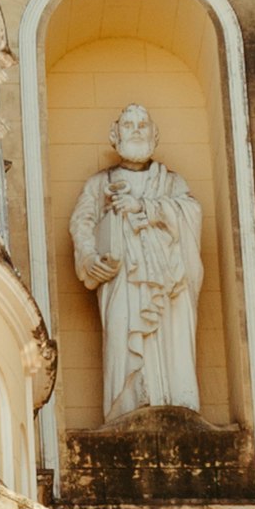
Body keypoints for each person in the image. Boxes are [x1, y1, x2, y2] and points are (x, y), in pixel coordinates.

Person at [68, 103, 203, 422]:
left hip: (169, 282)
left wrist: (145, 207)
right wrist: (90, 259)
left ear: (154, 134)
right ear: (114, 135)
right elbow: (81, 224)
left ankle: (175, 403)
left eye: (143, 124)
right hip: (123, 282)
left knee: (171, 341)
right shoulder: (99, 184)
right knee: (121, 337)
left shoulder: (171, 182)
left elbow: (191, 213)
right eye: (129, 125)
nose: (137, 130)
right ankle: (127, 409)